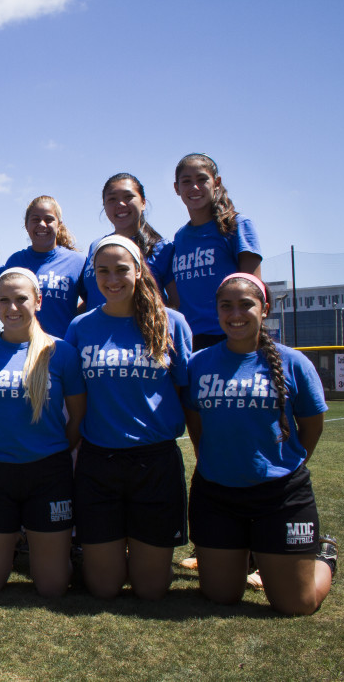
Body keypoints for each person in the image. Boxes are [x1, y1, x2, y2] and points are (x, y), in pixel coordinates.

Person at [184, 273, 337, 615]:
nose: (235, 313)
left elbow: (312, 426)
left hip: (281, 496)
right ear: (217, 311)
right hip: (216, 494)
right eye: (226, 306)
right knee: (221, 596)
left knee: (297, 605)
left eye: (245, 304)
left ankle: (325, 557)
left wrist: (286, 465)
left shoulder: (293, 362)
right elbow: (196, 424)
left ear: (264, 309)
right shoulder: (200, 363)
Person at [64, 235, 193, 600]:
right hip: (99, 461)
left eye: (122, 269)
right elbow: (75, 397)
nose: (112, 279)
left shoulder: (173, 323)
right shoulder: (80, 327)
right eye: (103, 271)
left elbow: (184, 394)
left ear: (139, 271)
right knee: (103, 588)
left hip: (155, 462)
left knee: (150, 590)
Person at [0, 267, 86, 596]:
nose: (12, 308)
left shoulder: (61, 353)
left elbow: (77, 418)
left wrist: (51, 451)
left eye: (21, 299)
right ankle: (13, 541)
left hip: (49, 472)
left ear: (38, 301)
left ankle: (52, 548)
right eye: (4, 300)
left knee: (53, 586)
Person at [172, 153, 262, 350]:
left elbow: (254, 289)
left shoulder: (237, 225)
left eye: (202, 179)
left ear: (216, 182)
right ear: (176, 188)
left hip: (229, 336)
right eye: (186, 181)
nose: (194, 187)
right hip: (190, 340)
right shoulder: (180, 237)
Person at [80, 174, 178, 309]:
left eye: (128, 197)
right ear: (104, 205)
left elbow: (176, 303)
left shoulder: (163, 248)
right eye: (112, 199)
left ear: (143, 202)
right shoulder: (96, 247)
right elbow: (93, 296)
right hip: (95, 329)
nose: (120, 204)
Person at [1, 196, 85, 336]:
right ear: (26, 225)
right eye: (35, 219)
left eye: (48, 219)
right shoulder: (15, 261)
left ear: (59, 224)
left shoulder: (78, 262)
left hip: (62, 347)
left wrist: (71, 319)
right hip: (23, 346)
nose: (42, 224)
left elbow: (93, 301)